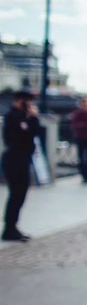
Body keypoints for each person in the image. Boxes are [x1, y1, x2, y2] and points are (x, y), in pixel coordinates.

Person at [2, 90, 41, 242]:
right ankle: (9, 228)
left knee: (21, 193)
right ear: (21, 101)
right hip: (14, 158)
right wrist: (28, 122)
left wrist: (34, 118)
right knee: (16, 194)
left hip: (24, 158)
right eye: (28, 102)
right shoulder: (12, 116)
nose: (30, 105)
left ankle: (13, 226)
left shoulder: (26, 117)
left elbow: (35, 133)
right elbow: (18, 136)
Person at [69, 96, 87, 184]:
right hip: (80, 137)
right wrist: (86, 126)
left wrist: (84, 126)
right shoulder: (77, 114)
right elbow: (76, 125)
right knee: (81, 157)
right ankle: (84, 174)